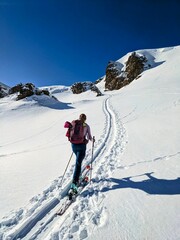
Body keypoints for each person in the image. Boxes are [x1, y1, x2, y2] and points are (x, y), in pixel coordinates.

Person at [71, 113, 93, 191]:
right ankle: (74, 182)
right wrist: (92, 140)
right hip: (81, 145)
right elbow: (89, 136)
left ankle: (78, 175)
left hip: (73, 145)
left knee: (78, 160)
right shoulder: (86, 126)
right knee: (78, 163)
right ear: (85, 119)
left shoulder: (74, 123)